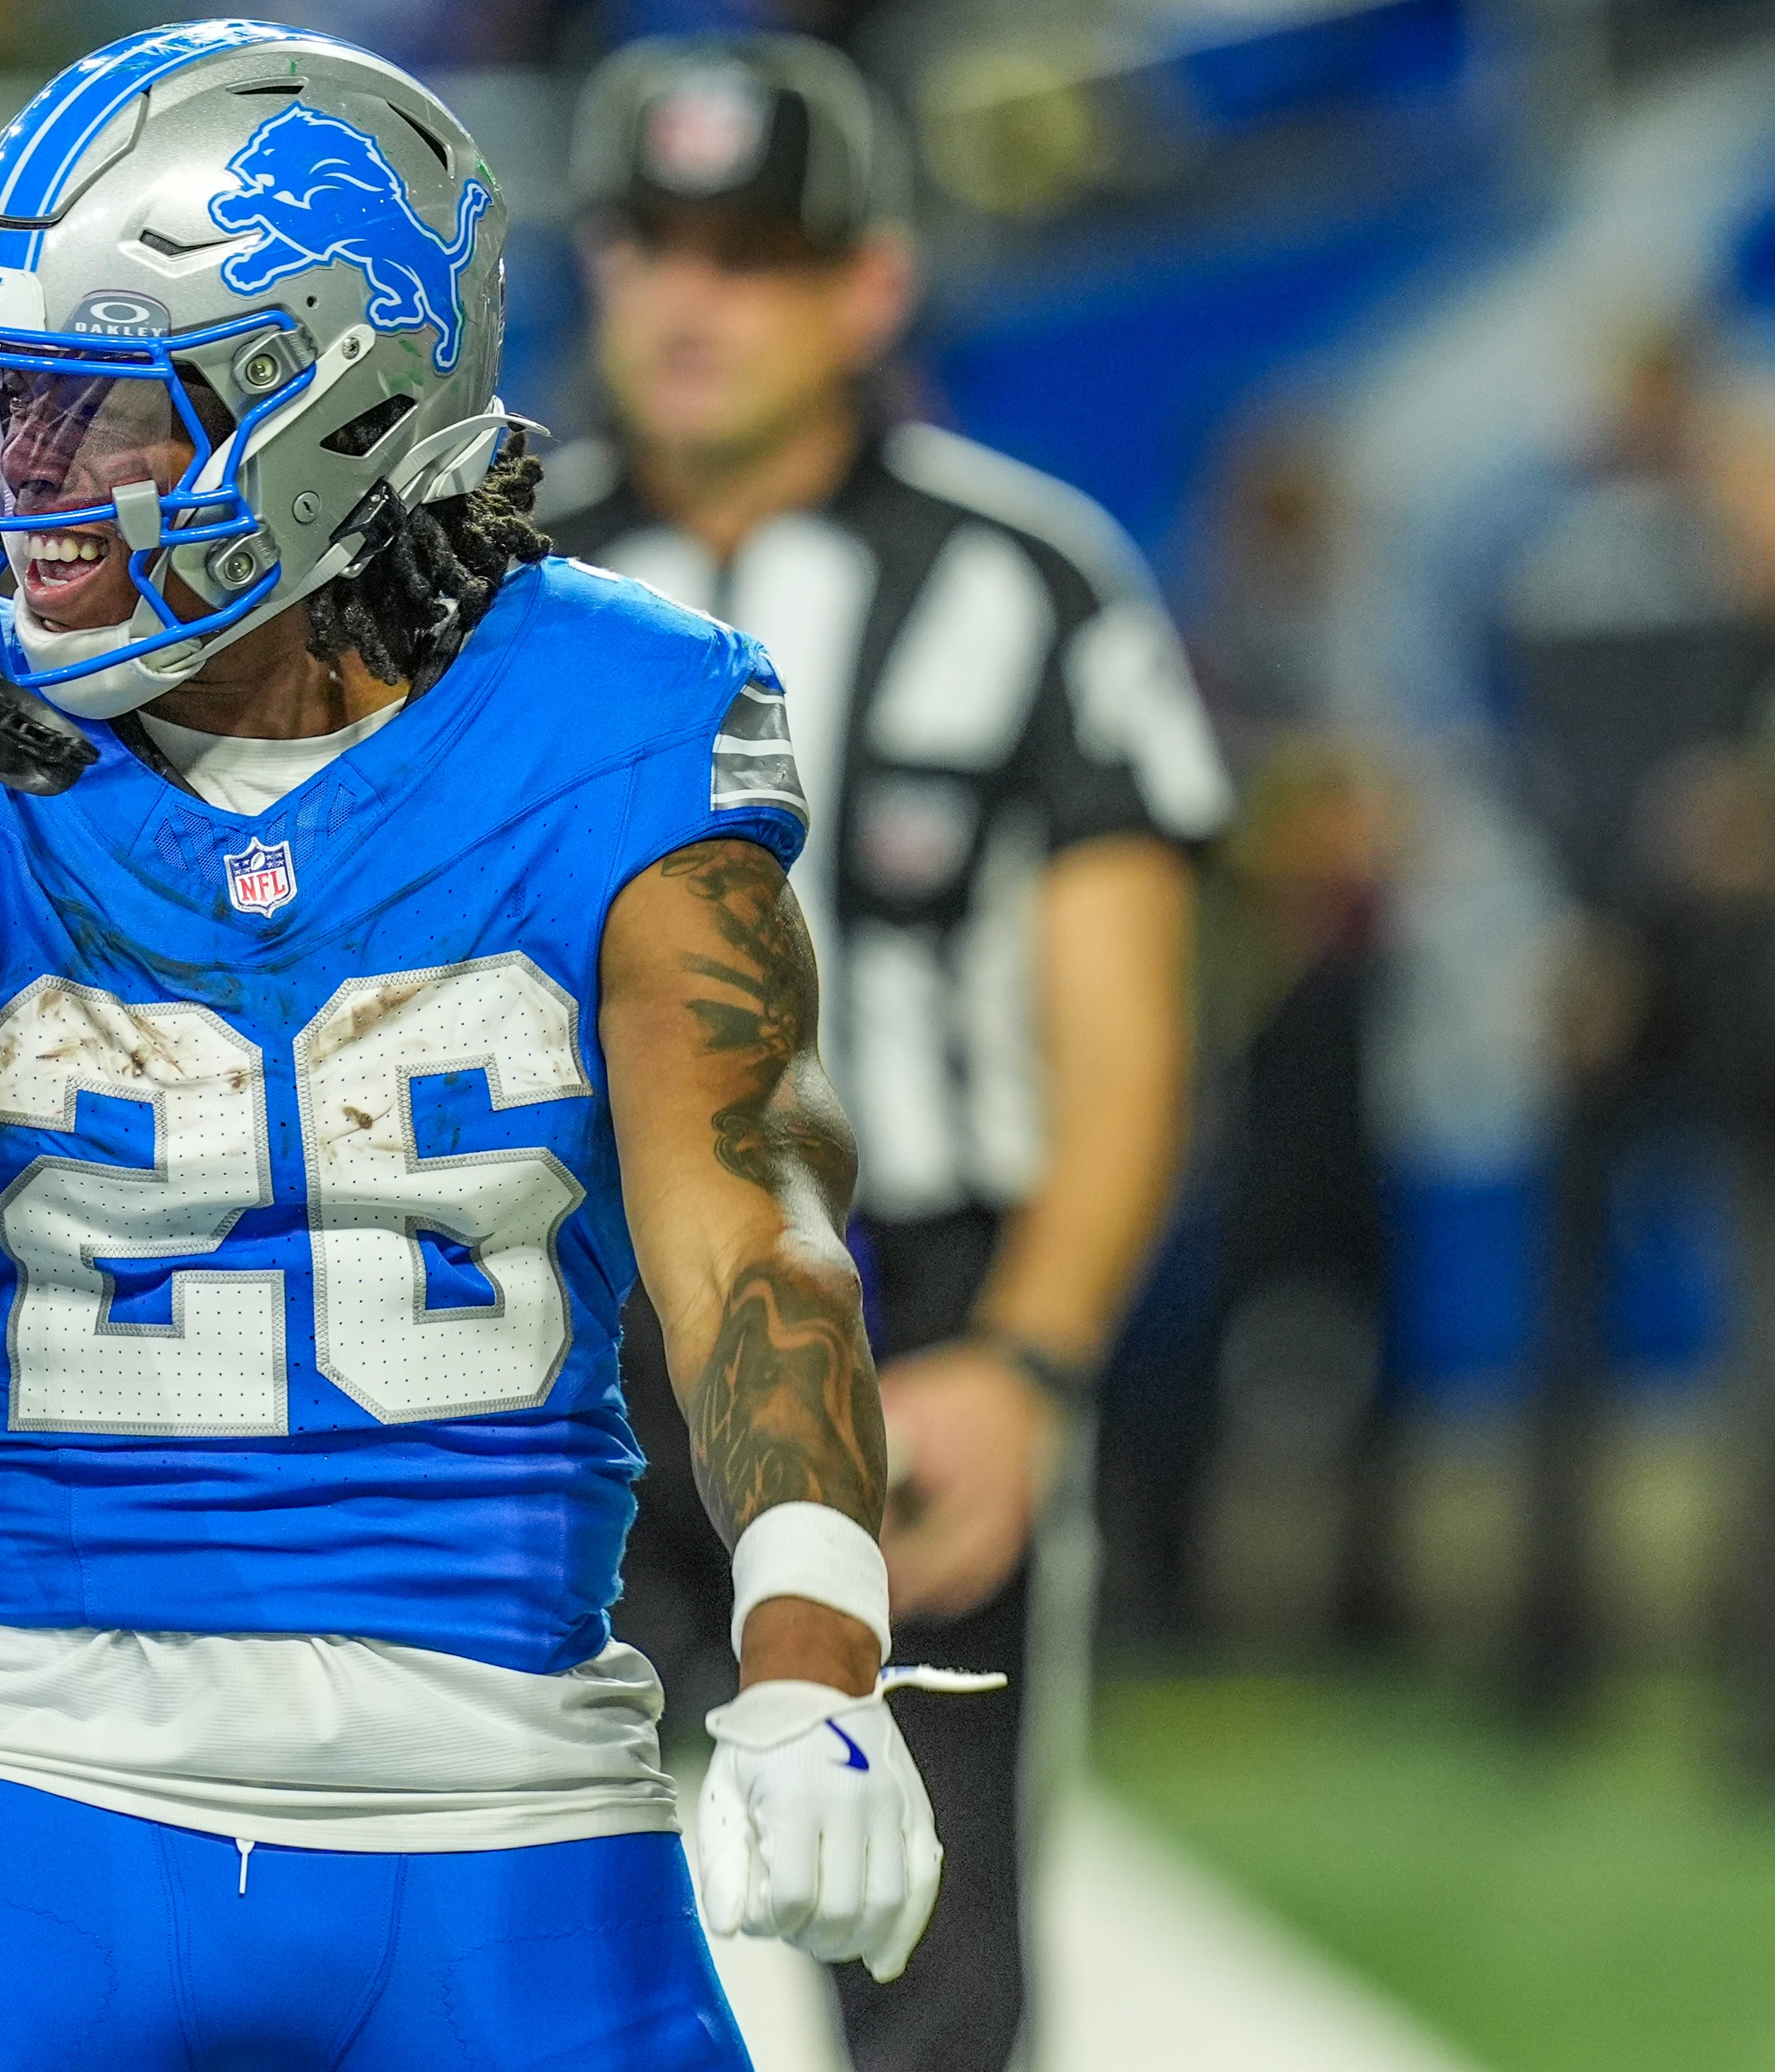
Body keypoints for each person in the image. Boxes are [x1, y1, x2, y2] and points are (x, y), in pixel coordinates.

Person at [0, 23, 991, 2064]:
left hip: (507, 1801)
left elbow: (748, 1209)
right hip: (27, 1769)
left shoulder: (616, 716)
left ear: (331, 418)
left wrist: (818, 1643)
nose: (14, 498)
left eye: (94, 428)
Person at [545, 34, 1228, 2070]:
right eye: (651, 241)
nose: (688, 297)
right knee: (486, 1945)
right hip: (538, 1336)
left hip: (897, 1323)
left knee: (926, 1980)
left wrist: (1027, 1359)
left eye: (752, 251)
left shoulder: (1028, 584)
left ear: (870, 286)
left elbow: (1123, 1030)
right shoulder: (481, 595)